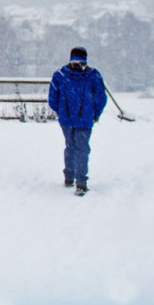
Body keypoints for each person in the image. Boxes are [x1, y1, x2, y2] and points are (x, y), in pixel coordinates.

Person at [47, 46, 107, 196]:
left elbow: (52, 98)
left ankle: (69, 177)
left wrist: (61, 111)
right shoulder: (93, 75)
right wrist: (95, 113)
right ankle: (81, 182)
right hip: (85, 119)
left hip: (66, 119)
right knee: (82, 149)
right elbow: (101, 97)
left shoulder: (60, 75)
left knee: (70, 147)